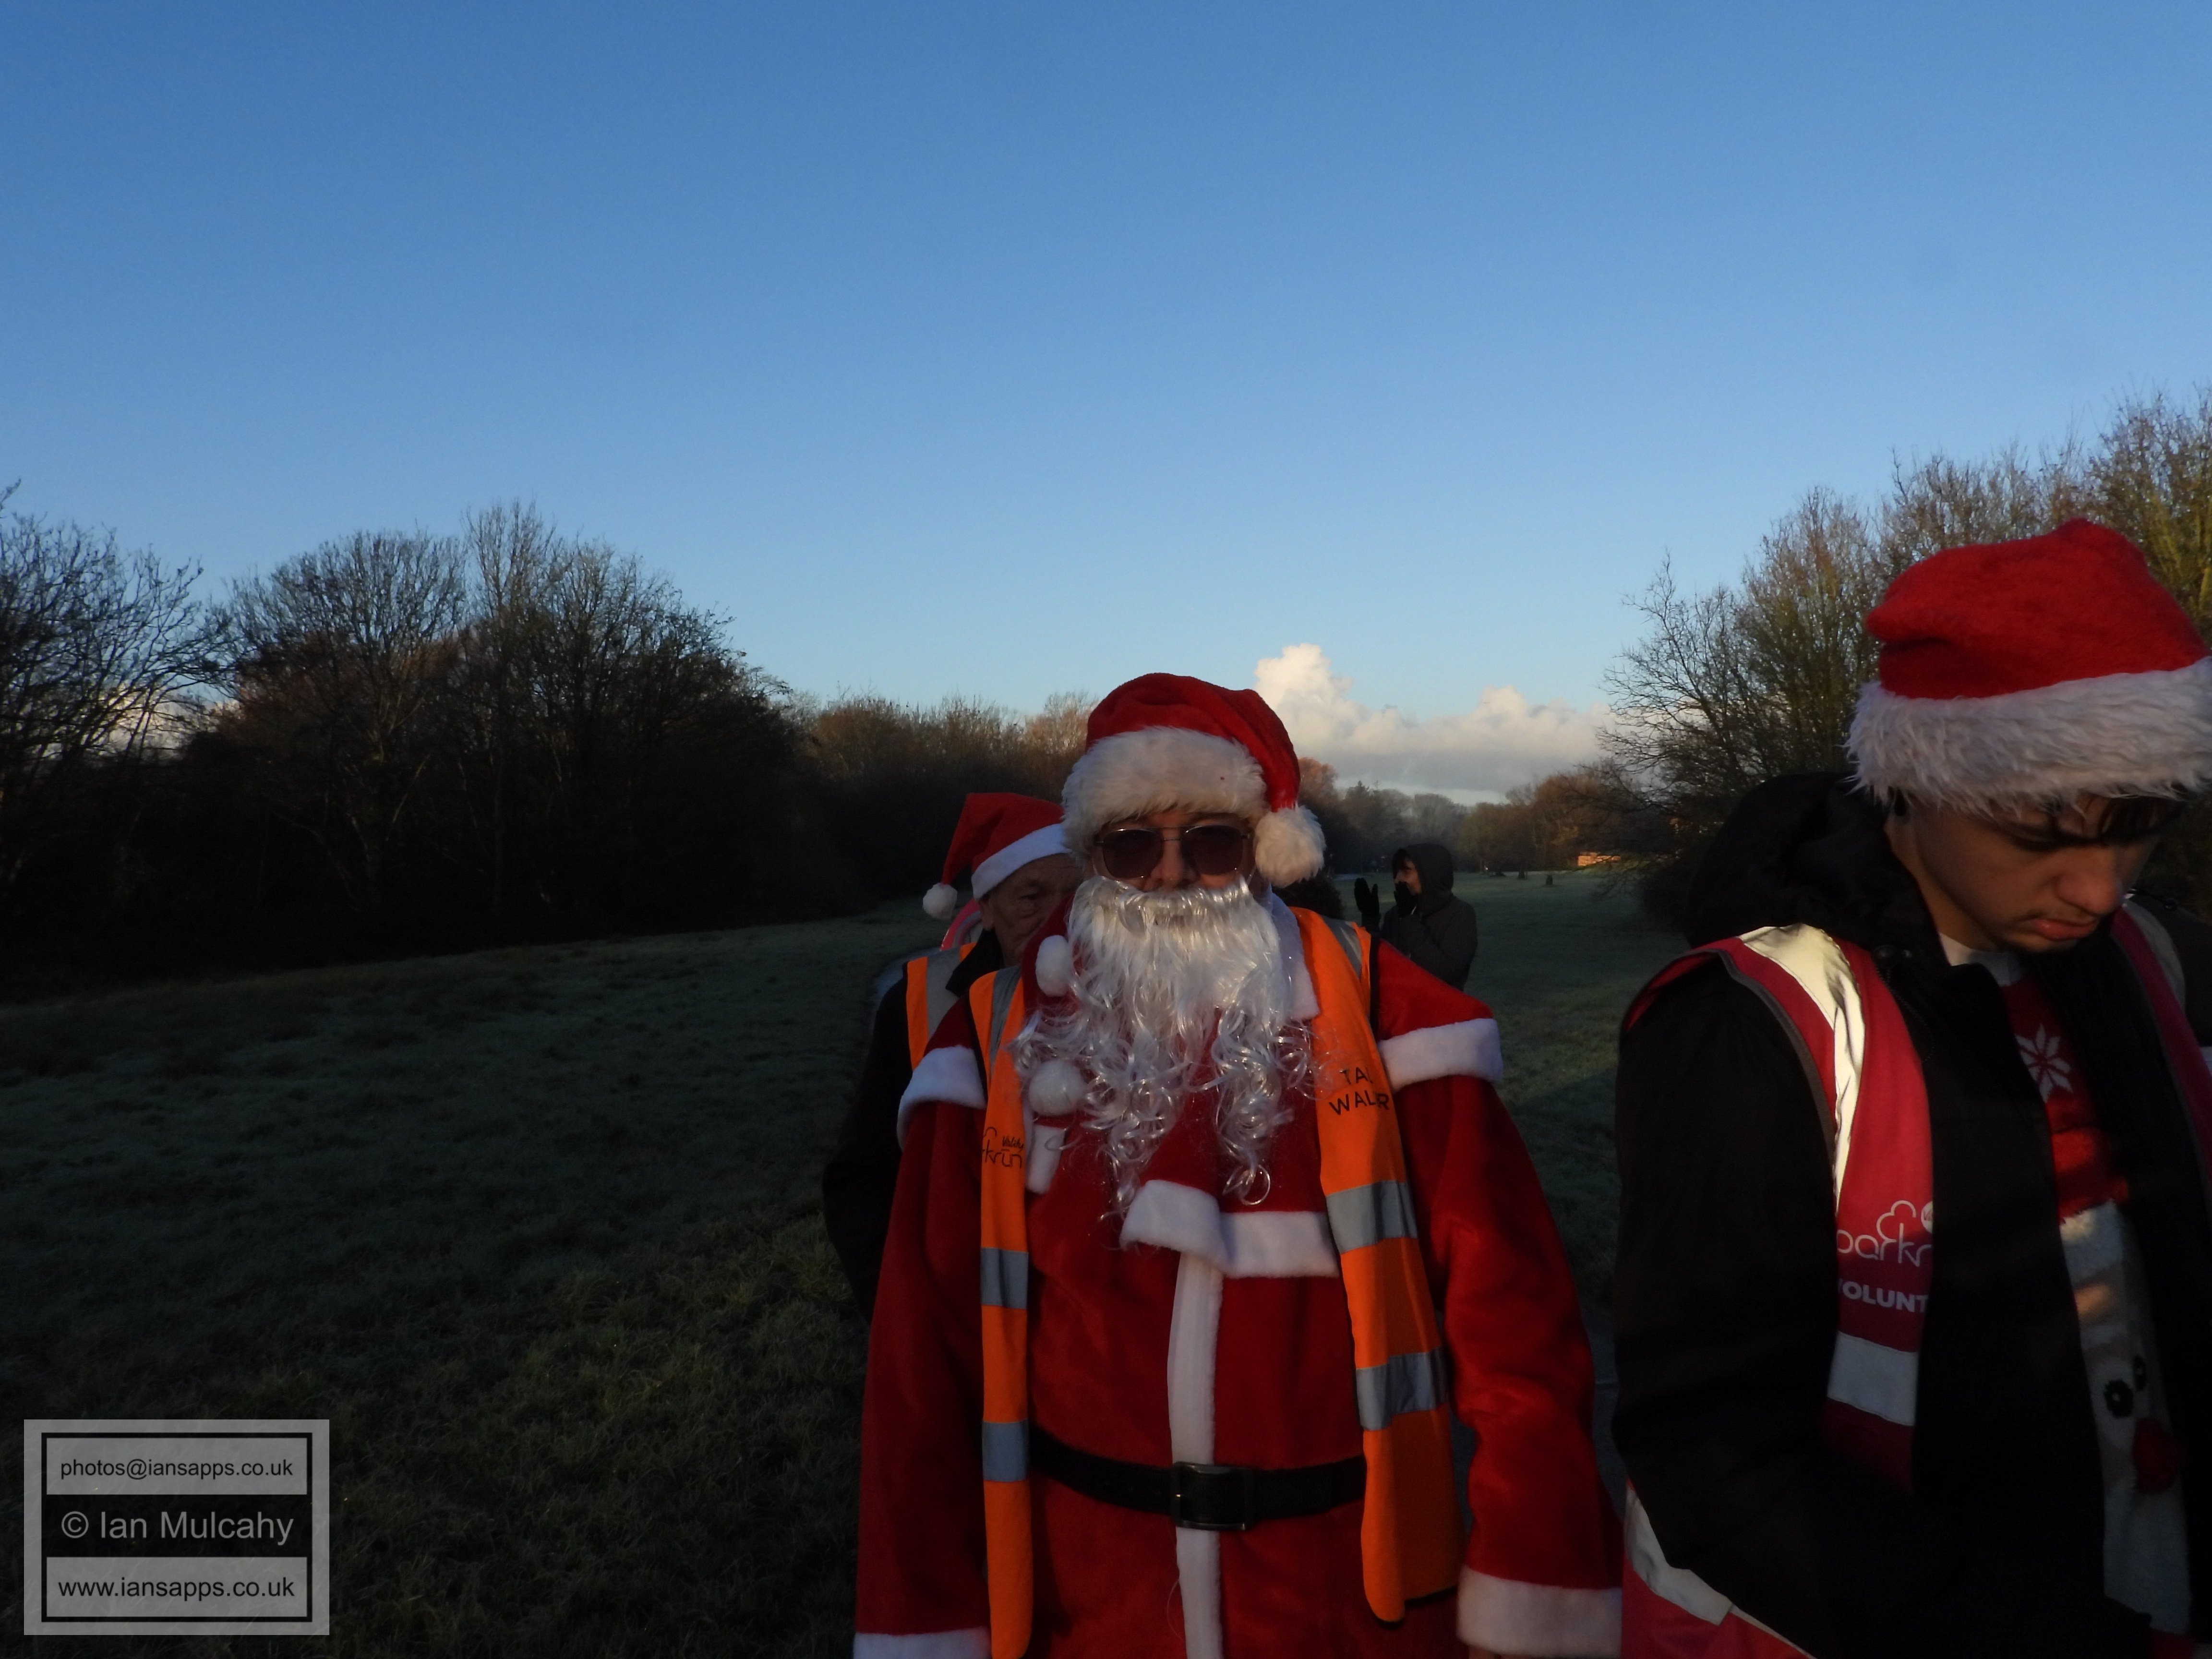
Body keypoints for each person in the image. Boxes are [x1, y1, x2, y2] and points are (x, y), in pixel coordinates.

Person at [855, 673, 1621, 1659]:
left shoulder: (1385, 1010)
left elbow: (1512, 1315)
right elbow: (921, 1361)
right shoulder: (993, 1037)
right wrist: (926, 1617)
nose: (1173, 874)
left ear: (1261, 853)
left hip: (1343, 1599)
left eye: (1213, 842)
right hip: (1090, 1599)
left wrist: (1533, 1572)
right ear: (1095, 860)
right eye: (1133, 845)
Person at [1612, 520, 2212, 1659]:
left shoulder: (2155, 957)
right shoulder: (1751, 1022)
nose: (2097, 888)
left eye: (2140, 828)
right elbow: (1712, 1451)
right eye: (2039, 831)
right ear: (1917, 783)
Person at [823, 793, 1078, 1317]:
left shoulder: (1136, 999)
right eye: (1031, 898)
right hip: (957, 1314)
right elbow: (862, 1179)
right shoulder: (923, 1002)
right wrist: (898, 1308)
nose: (1060, 920)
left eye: (1079, 897)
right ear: (987, 909)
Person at [1357, 843, 1480, 989]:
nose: (1398, 879)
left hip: (1439, 1003)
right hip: (1398, 1003)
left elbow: (1444, 972)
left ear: (1430, 874)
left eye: (1406, 871)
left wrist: (1409, 919)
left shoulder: (1460, 914)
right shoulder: (1396, 915)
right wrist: (1370, 922)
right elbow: (1379, 966)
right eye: (1397, 872)